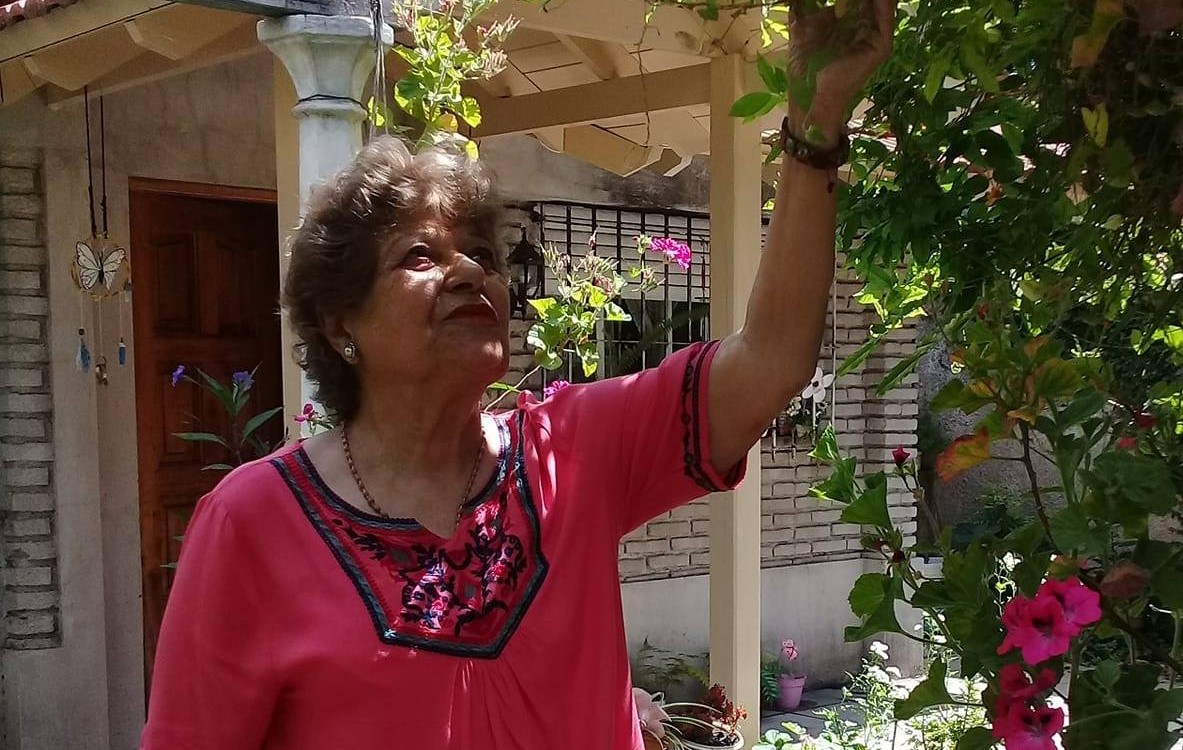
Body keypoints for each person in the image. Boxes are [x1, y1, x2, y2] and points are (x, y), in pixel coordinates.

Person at [140, 2, 895, 748]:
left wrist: (815, 123)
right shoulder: (251, 525)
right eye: (421, 256)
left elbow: (770, 362)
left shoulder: (572, 452)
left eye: (483, 255)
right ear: (340, 325)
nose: (471, 270)